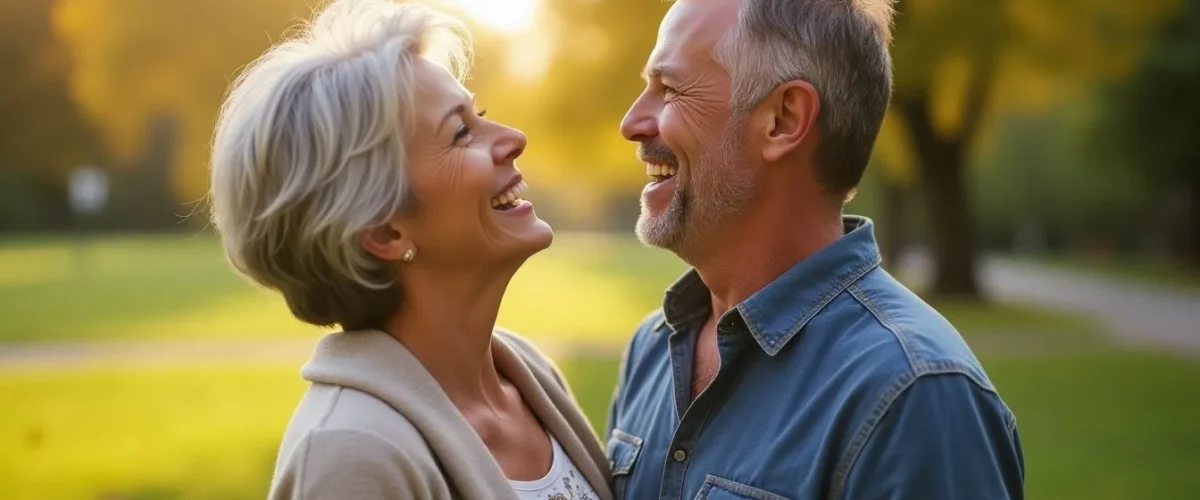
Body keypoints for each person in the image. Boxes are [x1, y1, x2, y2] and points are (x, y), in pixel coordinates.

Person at [605, 0, 1025, 499]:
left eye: (670, 89)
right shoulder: (652, 349)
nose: (631, 122)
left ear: (783, 119)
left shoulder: (915, 393)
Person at [207, 1, 612, 498]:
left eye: (479, 115)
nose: (513, 137)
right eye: (462, 132)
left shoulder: (528, 375)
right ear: (384, 232)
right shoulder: (348, 454)